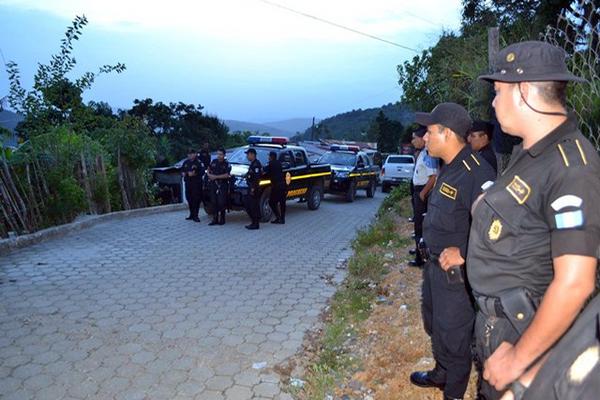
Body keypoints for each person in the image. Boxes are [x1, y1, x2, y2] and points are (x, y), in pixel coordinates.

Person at [467, 40, 599, 399]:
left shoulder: (572, 167)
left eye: (497, 92)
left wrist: (518, 359)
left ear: (523, 91)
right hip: (498, 323)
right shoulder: (531, 150)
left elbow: (576, 282)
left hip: (526, 332)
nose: (493, 103)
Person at [409, 102, 496, 400]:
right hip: (434, 266)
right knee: (434, 322)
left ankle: (454, 393)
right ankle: (441, 371)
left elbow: (497, 226)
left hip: (455, 276)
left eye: (430, 131)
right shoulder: (449, 167)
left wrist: (466, 252)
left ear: (446, 133)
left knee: (455, 336)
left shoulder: (476, 172)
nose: (425, 136)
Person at [409, 126, 439, 267]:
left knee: (421, 226)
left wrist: (422, 193)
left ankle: (421, 259)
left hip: (423, 192)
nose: (413, 141)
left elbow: (433, 177)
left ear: (422, 138)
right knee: (418, 225)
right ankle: (418, 252)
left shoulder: (428, 154)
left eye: (415, 138)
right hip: (418, 191)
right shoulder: (422, 153)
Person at [206, 148, 231, 226]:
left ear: (224, 155)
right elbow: (208, 169)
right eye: (218, 154)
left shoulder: (227, 164)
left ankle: (222, 218)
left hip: (222, 184)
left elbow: (227, 175)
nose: (219, 156)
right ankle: (215, 218)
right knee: (214, 201)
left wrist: (216, 177)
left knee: (221, 202)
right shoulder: (214, 162)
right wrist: (209, 175)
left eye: (220, 154)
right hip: (213, 184)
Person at [181, 148, 205, 222]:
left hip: (196, 184)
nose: (190, 155)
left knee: (196, 200)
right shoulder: (186, 162)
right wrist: (183, 174)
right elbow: (182, 171)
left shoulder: (198, 162)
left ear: (195, 154)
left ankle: (196, 215)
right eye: (188, 154)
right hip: (188, 183)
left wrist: (195, 174)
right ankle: (191, 214)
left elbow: (203, 171)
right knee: (189, 198)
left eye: (191, 154)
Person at [264, 151, 287, 224]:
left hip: (276, 187)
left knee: (272, 202)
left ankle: (278, 217)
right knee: (282, 202)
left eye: (269, 156)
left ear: (271, 157)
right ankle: (282, 219)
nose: (268, 157)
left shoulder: (271, 164)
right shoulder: (279, 163)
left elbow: (265, 172)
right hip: (283, 185)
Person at [244, 148, 263, 230]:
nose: (247, 156)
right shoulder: (252, 164)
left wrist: (253, 188)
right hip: (251, 187)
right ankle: (253, 222)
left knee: (253, 206)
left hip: (254, 188)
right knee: (249, 205)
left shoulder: (256, 165)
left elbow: (257, 178)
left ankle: (255, 224)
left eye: (248, 154)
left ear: (252, 154)